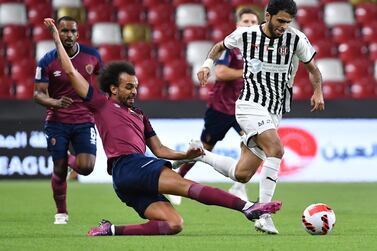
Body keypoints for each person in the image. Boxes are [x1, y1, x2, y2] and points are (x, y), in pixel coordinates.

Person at [43, 18, 282, 237]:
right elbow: (71, 71)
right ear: (113, 89)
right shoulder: (100, 104)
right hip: (128, 166)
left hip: (127, 180)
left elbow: (160, 150)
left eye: (135, 86)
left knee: (173, 224)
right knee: (187, 187)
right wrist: (56, 37)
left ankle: (110, 230)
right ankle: (248, 207)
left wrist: (185, 156)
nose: (133, 91)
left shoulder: (139, 115)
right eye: (128, 87)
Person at [195, 0, 325, 234]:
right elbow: (218, 47)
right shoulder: (245, 35)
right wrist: (206, 66)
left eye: (288, 22)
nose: (284, 26)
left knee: (242, 174)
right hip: (249, 104)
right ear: (268, 16)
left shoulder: (296, 39)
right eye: (280, 20)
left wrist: (318, 91)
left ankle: (199, 153)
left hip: (274, 110)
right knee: (276, 149)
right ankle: (263, 214)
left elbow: (313, 70)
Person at [171, 8, 260, 205]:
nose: (250, 25)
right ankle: (177, 181)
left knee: (255, 144)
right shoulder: (230, 48)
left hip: (243, 109)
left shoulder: (259, 52)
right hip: (220, 108)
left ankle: (239, 187)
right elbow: (220, 73)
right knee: (203, 148)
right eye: (246, 21)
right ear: (238, 25)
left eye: (254, 22)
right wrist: (247, 71)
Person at [34, 16, 103, 224]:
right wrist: (55, 103)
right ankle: (61, 212)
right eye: (64, 31)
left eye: (72, 31)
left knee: (87, 167)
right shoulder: (47, 60)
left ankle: (66, 158)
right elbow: (38, 94)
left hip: (85, 120)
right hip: (57, 121)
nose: (69, 35)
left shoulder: (93, 56)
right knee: (59, 168)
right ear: (58, 34)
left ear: (78, 34)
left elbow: (102, 86)